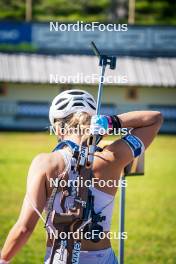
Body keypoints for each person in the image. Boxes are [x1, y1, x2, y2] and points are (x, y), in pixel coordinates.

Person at [0, 89, 163, 264]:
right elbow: (155, 119)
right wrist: (113, 122)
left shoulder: (44, 163)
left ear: (57, 127)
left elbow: (24, 229)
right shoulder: (111, 157)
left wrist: (3, 259)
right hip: (103, 259)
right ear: (92, 121)